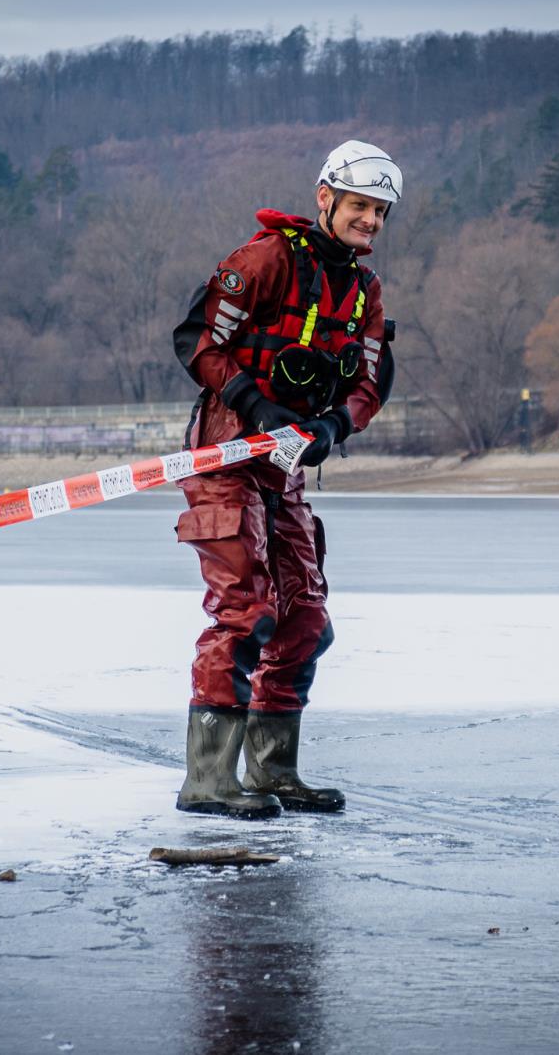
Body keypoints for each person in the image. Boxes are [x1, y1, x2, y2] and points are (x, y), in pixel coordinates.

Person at [169, 140, 401, 819]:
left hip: (285, 468)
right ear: (325, 198)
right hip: (225, 456)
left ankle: (271, 772)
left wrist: (336, 426)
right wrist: (252, 400)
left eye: (381, 212)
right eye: (360, 206)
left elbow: (368, 380)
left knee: (305, 622)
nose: (371, 223)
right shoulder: (266, 260)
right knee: (246, 613)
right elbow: (197, 340)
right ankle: (208, 781)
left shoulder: (363, 291)